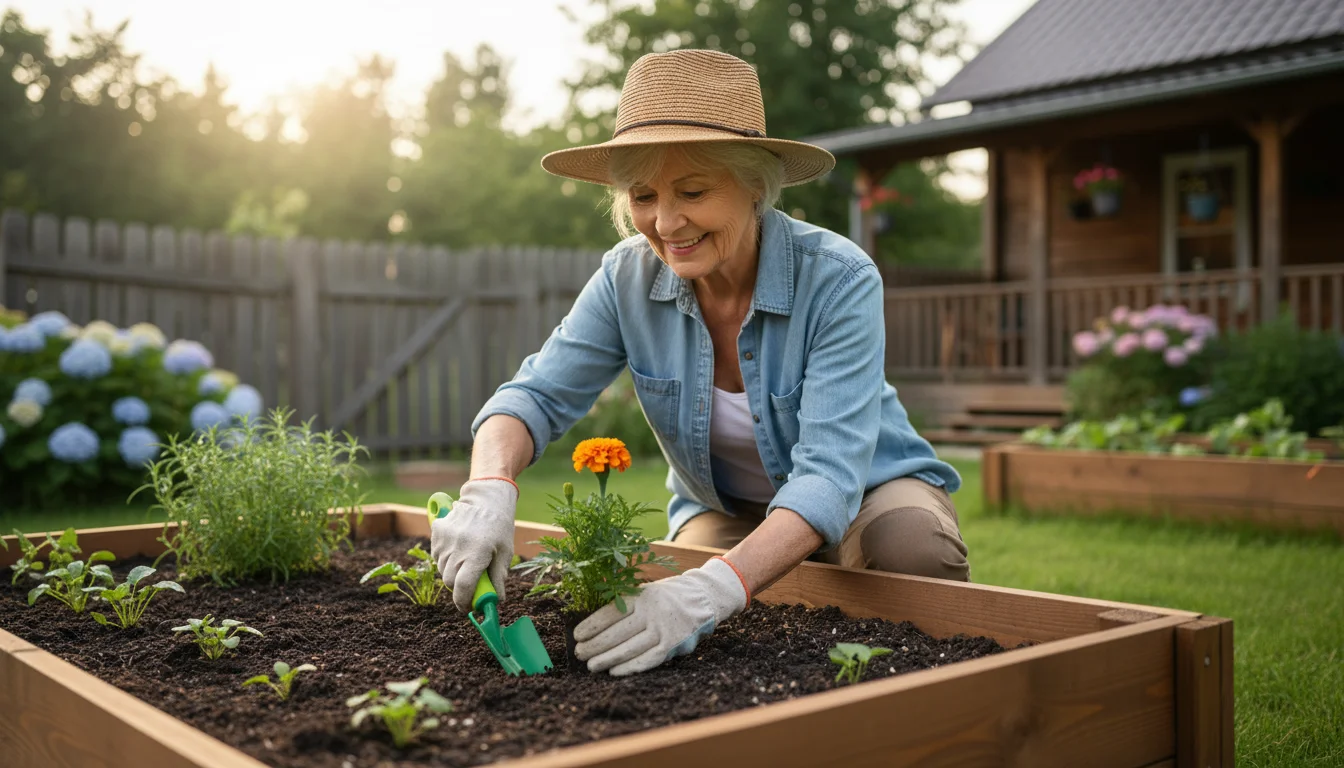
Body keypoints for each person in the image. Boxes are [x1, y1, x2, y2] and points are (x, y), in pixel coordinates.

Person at [431, 49, 968, 678]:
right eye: (643, 195)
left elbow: (828, 478)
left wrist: (712, 592)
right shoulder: (625, 279)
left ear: (754, 186)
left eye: (692, 191)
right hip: (725, 507)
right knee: (660, 622)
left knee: (911, 554)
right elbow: (533, 398)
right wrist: (490, 487)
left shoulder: (838, 278)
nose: (666, 222)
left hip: (869, 489)